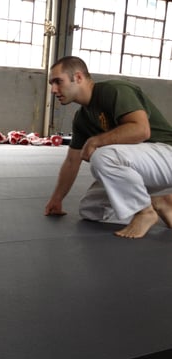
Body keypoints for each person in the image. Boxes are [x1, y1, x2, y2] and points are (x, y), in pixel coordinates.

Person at [44, 56, 172, 238]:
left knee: (103, 156)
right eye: (51, 83)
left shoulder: (114, 90)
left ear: (78, 77)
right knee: (91, 210)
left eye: (58, 81)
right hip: (144, 166)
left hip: (166, 154)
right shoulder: (82, 118)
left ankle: (144, 212)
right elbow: (72, 161)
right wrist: (57, 199)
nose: (54, 90)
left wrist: (95, 141)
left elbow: (142, 130)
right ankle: (160, 202)